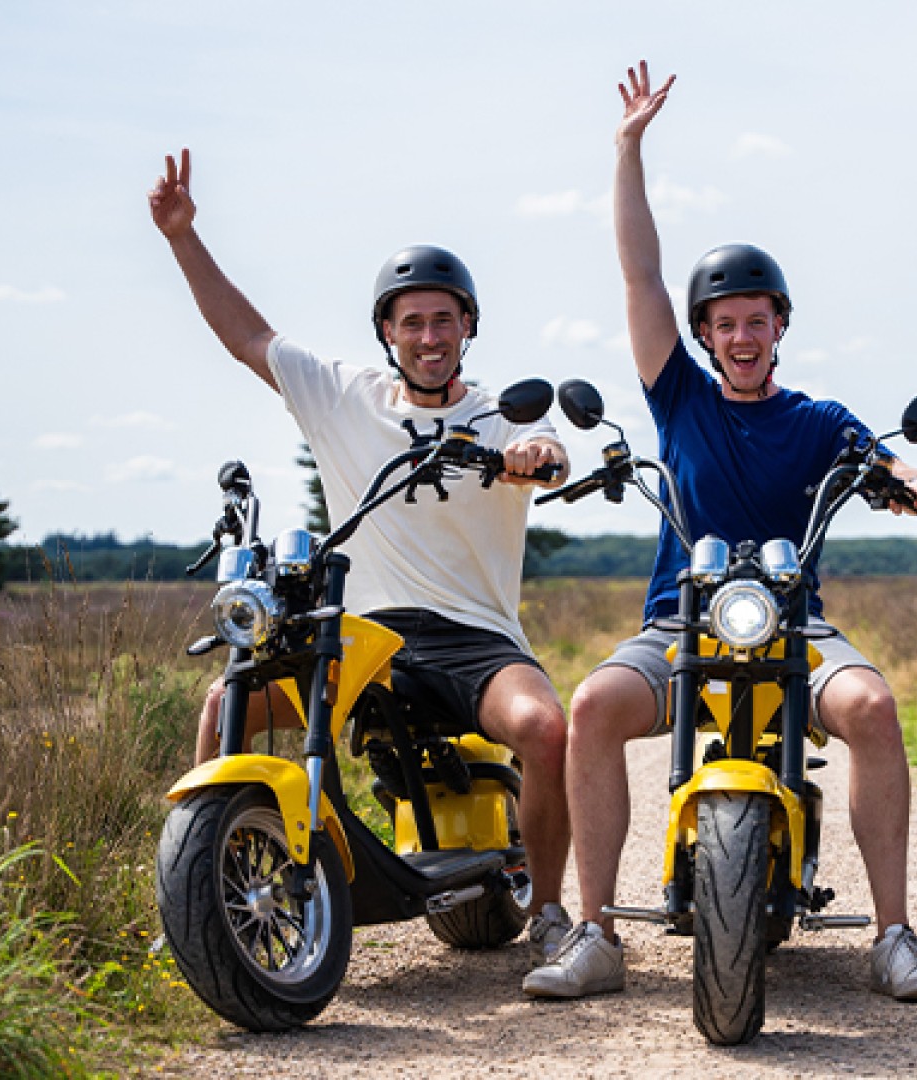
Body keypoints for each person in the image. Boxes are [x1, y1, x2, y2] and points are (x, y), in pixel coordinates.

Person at [522, 63, 917, 1003]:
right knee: (590, 708)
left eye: (757, 320)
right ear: (706, 334)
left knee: (875, 711)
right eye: (724, 323)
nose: (742, 336)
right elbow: (640, 272)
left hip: (794, 629)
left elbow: (885, 468)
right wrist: (628, 149)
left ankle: (894, 933)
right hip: (679, 623)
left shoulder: (822, 419)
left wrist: (914, 484)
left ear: (780, 325)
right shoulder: (678, 399)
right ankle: (595, 930)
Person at [147, 148, 576, 960]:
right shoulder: (343, 395)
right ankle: (203, 901)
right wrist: (181, 237)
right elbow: (247, 335)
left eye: (444, 320)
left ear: (468, 328)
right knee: (221, 705)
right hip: (362, 637)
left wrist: (538, 457)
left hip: (472, 638)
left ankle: (552, 913)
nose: (428, 336)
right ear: (387, 331)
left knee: (546, 728)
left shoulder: (495, 416)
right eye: (411, 321)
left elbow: (550, 447)